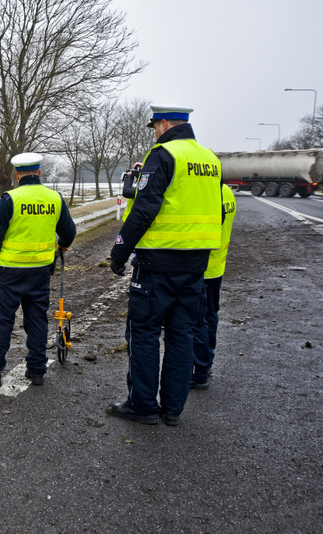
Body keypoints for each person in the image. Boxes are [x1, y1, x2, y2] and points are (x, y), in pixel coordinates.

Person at [108, 105, 223, 426]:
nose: (155, 132)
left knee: (143, 333)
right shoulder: (210, 159)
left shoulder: (162, 155)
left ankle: (142, 406)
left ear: (163, 124)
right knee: (181, 334)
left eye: (155, 126)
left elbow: (144, 210)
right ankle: (172, 409)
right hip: (197, 263)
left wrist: (119, 252)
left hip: (157, 262)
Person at [0, 152, 76, 388]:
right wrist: (60, 247)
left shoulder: (10, 199)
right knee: (37, 322)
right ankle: (37, 370)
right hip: (40, 273)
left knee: (2, 322)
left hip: (7, 273)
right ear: (39, 173)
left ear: (17, 174)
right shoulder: (55, 198)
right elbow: (69, 232)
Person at [191, 183, 237, 390]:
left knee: (197, 321)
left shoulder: (206, 192)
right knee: (211, 315)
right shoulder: (226, 191)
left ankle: (199, 371)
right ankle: (207, 362)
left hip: (200, 267)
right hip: (217, 267)